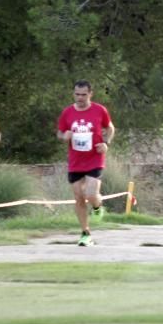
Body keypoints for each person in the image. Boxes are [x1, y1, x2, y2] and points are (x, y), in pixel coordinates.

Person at [56, 80, 115, 246]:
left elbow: (110, 128)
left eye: (83, 94)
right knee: (78, 197)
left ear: (90, 94)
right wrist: (64, 136)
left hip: (95, 157)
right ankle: (85, 233)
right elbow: (59, 133)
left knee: (90, 194)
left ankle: (97, 206)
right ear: (73, 94)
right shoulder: (67, 113)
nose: (80, 98)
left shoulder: (99, 110)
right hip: (75, 161)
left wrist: (106, 143)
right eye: (77, 94)